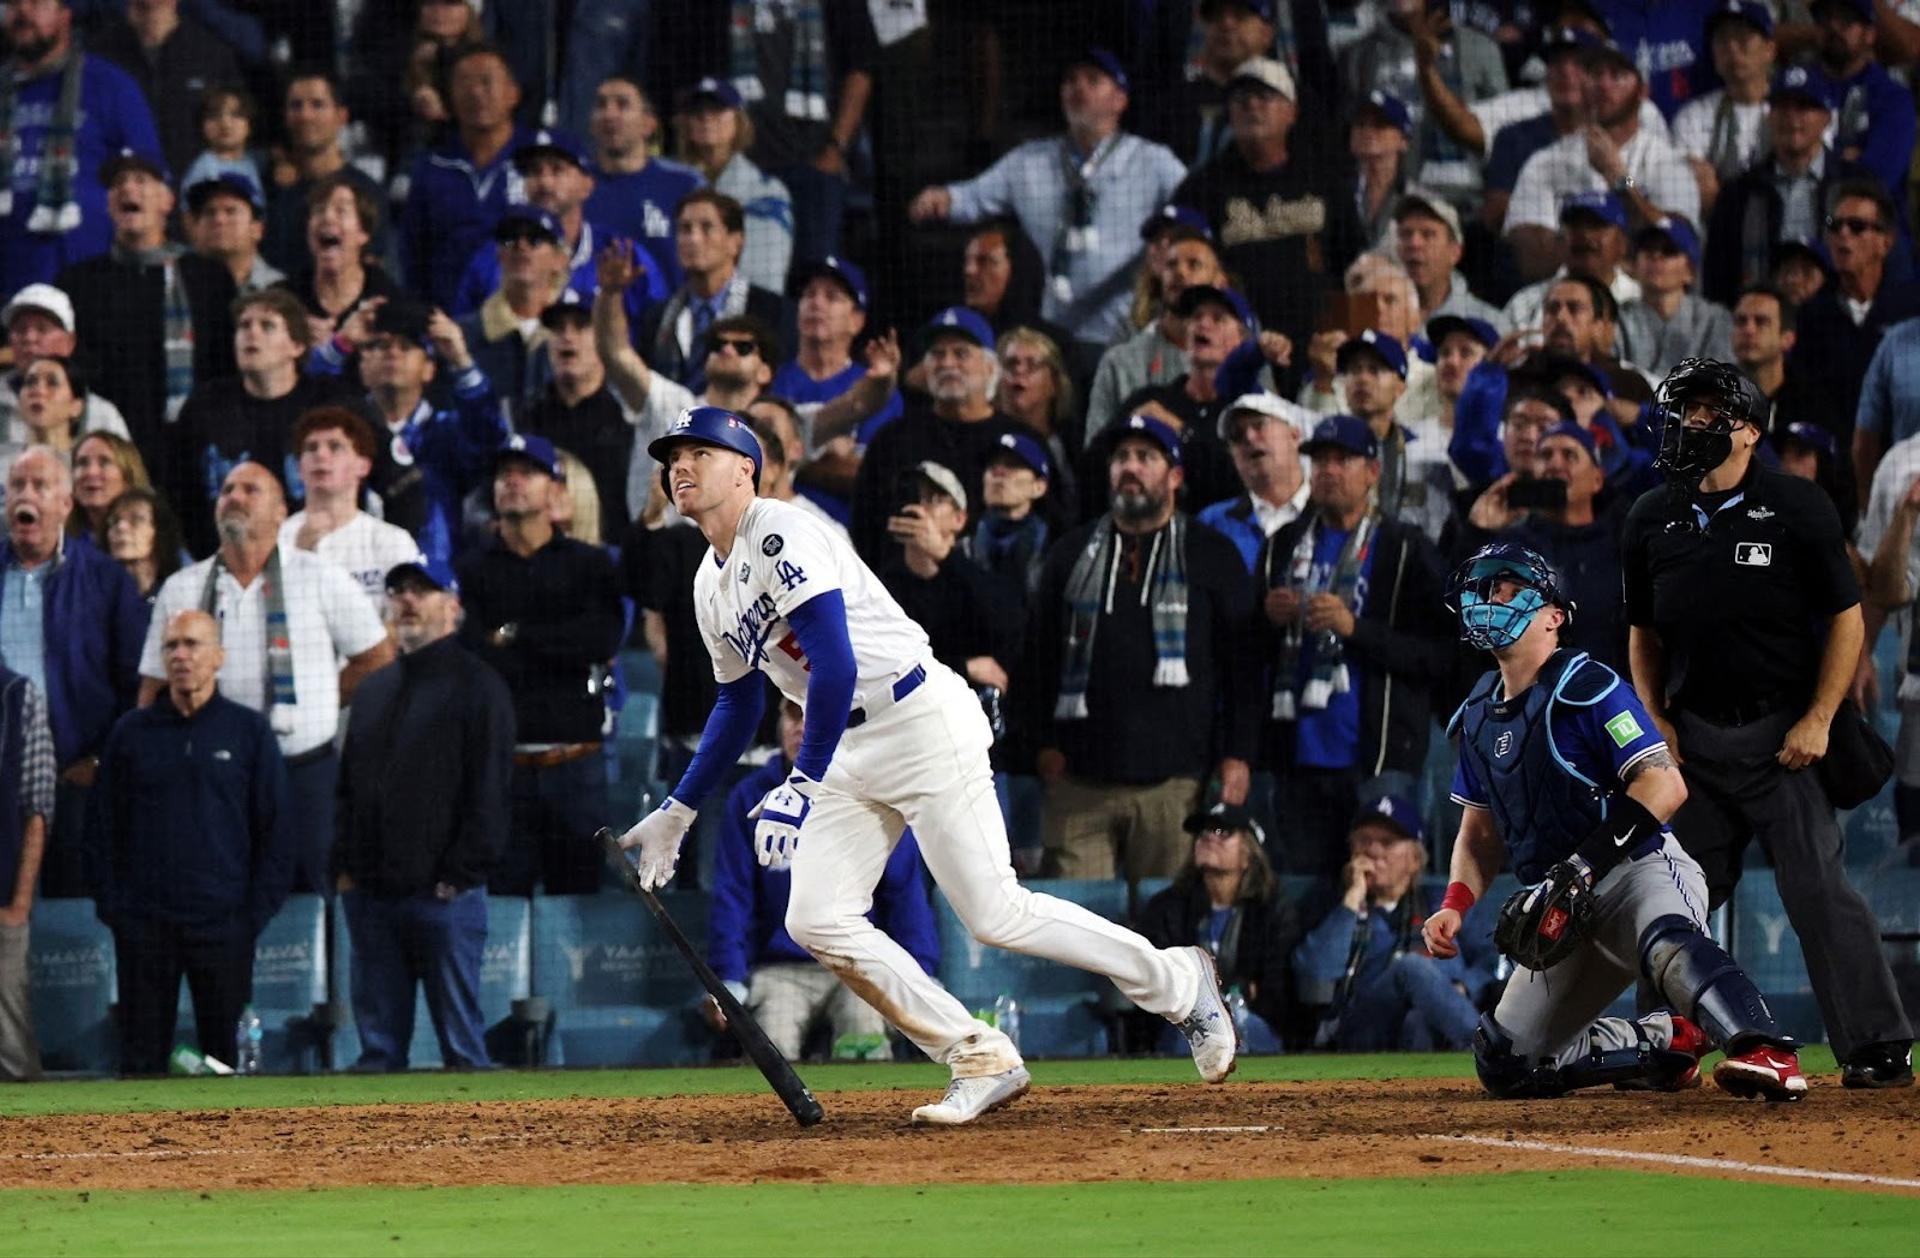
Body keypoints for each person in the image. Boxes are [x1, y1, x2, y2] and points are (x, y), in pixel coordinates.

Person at [617, 405, 1240, 1124]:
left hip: (916, 717)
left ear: (745, 468)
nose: (680, 467)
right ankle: (978, 1055)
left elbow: (836, 663)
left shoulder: (782, 529)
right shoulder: (709, 583)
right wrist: (679, 809)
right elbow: (737, 702)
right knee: (816, 918)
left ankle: (1176, 979)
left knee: (994, 911)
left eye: (699, 452)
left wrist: (801, 782)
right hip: (844, 742)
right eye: (673, 457)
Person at [1622, 358, 1914, 1088]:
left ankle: (1878, 1045)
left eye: (1707, 411)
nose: (1690, 422)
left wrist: (1819, 718)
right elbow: (1643, 634)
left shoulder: (1797, 505)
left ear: (1750, 430)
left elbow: (1848, 620)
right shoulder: (1650, 515)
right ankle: (1668, 1040)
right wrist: (1654, 718)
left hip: (1781, 736)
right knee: (1674, 892)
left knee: (1816, 886)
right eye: (1684, 410)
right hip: (1693, 737)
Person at [1427, 542, 1808, 1100]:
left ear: (1554, 616)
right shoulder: (1479, 715)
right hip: (1562, 906)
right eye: (1486, 591)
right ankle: (1667, 1043)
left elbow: (1665, 785)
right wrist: (1454, 904)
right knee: (1506, 1062)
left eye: (1509, 590)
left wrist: (1584, 865)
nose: (1492, 601)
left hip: (1635, 869)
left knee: (1667, 941)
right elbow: (1479, 835)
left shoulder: (1587, 685)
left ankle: (1767, 1049)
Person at [138, 461, 393, 895]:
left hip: (302, 773)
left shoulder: (321, 577)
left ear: (281, 512)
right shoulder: (182, 587)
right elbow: (153, 688)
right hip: (210, 777)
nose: (234, 497)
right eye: (226, 490)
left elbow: (378, 657)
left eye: (250, 490)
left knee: (309, 896)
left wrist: (319, 701)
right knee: (215, 895)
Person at [1028, 415, 1254, 880]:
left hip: (1174, 785)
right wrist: (1041, 746)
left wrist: (1238, 754)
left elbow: (1242, 667)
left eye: (1146, 457)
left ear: (1175, 476)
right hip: (1079, 784)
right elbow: (1037, 656)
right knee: (1076, 920)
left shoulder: (1212, 554)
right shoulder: (1070, 554)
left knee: (1164, 916)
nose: (1130, 467)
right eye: (1121, 457)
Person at [91, 608, 293, 1076]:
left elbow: (277, 831)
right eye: (171, 646)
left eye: (192, 644)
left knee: (225, 1064)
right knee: (141, 1065)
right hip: (145, 929)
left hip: (224, 927)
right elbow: (101, 829)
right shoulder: (130, 733)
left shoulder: (249, 731)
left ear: (219, 656)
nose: (180, 655)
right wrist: (117, 912)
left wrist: (251, 917)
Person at [334, 557, 514, 1072]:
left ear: (452, 606)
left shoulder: (480, 685)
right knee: (378, 1056)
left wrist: (459, 874)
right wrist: (346, 870)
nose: (407, 600)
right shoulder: (374, 689)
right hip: (373, 897)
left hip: (444, 897)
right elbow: (348, 787)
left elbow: (490, 791)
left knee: (463, 1051)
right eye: (398, 591)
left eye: (421, 590)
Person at [1254, 416, 1454, 875]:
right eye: (1320, 460)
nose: (1328, 470)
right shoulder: (1283, 545)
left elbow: (1440, 654)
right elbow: (1248, 652)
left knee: (1383, 888)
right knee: (1302, 891)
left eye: (1342, 460)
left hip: (1379, 758)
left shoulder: (1404, 548)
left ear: (1373, 472)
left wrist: (1355, 629)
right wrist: (1268, 620)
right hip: (1295, 756)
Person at [708, 700, 939, 1062]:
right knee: (771, 1047)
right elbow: (733, 896)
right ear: (779, 721)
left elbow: (904, 894)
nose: (801, 726)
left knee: (865, 1035)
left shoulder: (872, 794)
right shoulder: (749, 798)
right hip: (780, 969)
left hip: (856, 962)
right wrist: (729, 979)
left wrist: (921, 974)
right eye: (792, 713)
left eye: (813, 714)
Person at [910, 50, 1185, 349]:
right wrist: (944, 198)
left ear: (1120, 100)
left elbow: (1194, 208)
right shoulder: (1030, 161)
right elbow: (973, 196)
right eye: (1070, 80)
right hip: (1049, 331)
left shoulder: (1153, 162)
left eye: (1093, 80)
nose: (1078, 88)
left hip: (1122, 328)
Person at [457, 435, 625, 896]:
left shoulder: (590, 565)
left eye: (527, 472)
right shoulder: (470, 570)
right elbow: (473, 657)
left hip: (574, 766)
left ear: (555, 489)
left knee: (578, 906)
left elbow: (600, 640)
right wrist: (556, 641)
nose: (512, 481)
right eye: (503, 474)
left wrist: (515, 634)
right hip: (501, 769)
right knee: (501, 906)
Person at [0, 446, 148, 897]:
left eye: (40, 486)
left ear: (65, 504)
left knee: (74, 908)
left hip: (76, 778)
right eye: (16, 486)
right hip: (2, 775)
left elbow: (137, 683)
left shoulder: (107, 579)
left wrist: (102, 759)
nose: (26, 495)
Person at [1172, 56, 1361, 359]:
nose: (1252, 105)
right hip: (1236, 348)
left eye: (1265, 96)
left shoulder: (1325, 180)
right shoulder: (1201, 190)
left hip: (1318, 347)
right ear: (1229, 112)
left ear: (1291, 111)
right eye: (1241, 99)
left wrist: (1349, 340)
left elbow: (1354, 266)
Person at [663, 0, 877, 264]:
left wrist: (836, 148)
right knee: (728, 270)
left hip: (813, 165)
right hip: (735, 167)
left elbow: (860, 69)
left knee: (813, 274)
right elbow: (685, 64)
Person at [54, 150, 237, 451]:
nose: (128, 188)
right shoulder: (78, 282)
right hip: (109, 445)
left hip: (192, 443)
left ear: (167, 200)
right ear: (109, 204)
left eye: (141, 180)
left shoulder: (207, 278)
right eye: (118, 183)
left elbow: (225, 367)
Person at [309, 296, 508, 568]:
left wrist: (461, 361)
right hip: (347, 572)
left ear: (429, 369)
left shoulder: (447, 433)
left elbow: (492, 439)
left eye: (406, 346)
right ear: (362, 367)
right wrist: (340, 344)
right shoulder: (339, 435)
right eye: (379, 346)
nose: (393, 353)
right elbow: (299, 400)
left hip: (431, 575)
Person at [168, 287, 361, 553]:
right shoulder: (205, 406)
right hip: (228, 557)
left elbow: (393, 480)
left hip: (322, 556)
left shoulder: (332, 403)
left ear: (297, 346)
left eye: (267, 326)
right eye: (244, 325)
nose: (251, 333)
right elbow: (178, 492)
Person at [1294, 795, 1492, 1051]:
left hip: (1433, 1026)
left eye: (1387, 842)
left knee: (1417, 1021)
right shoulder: (1332, 903)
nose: (1373, 851)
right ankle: (1487, 1051)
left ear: (1415, 858)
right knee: (1410, 967)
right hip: (1365, 1026)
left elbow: (1493, 961)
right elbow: (1314, 974)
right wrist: (1352, 900)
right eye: (1364, 840)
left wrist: (1466, 986)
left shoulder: (1444, 904)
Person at [849, 308, 1040, 564]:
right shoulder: (893, 439)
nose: (947, 364)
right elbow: (864, 529)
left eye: (961, 354)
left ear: (990, 367)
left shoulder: (1023, 443)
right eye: (937, 354)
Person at [1504, 39, 1699, 285]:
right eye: (1596, 74)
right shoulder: (1545, 161)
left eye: (1617, 75)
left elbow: (1678, 246)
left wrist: (1622, 181)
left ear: (1643, 90)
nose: (1604, 85)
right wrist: (1611, 260)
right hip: (1562, 293)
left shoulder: (1667, 161)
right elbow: (1530, 259)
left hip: (1643, 297)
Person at [0, 0, 163, 295]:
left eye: (36, 2)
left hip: (90, 277)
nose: (22, 11)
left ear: (65, 14)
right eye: (11, 3)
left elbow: (150, 181)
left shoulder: (111, 86)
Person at [1138, 801, 1303, 1053]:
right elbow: (1159, 976)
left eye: (1223, 832)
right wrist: (1242, 986)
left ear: (1248, 854)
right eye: (1203, 833)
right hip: (1183, 1025)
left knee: (1244, 1030)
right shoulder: (1168, 907)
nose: (1209, 838)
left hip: (1254, 1022)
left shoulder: (1271, 909)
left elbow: (1278, 986)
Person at [1700, 66, 1874, 305]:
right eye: (1782, 107)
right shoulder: (1738, 193)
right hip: (1762, 318)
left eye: (1804, 107)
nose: (1792, 118)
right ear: (1769, 116)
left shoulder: (1858, 185)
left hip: (1840, 315)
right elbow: (1717, 281)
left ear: (1826, 118)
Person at [876, 462, 1024, 726]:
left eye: (935, 499)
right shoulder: (882, 586)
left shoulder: (979, 571)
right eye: (914, 497)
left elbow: (1011, 625)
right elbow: (883, 665)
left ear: (959, 519)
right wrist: (963, 667)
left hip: (971, 721)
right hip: (905, 721)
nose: (921, 507)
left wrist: (943, 555)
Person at [1797, 182, 1920, 491]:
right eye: (1835, 226)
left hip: (1902, 469)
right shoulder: (1811, 315)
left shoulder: (1911, 310)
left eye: (1857, 227)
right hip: (1829, 472)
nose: (1843, 235)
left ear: (1885, 242)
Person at [400, 45, 536, 310]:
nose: (475, 92)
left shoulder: (543, 159)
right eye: (464, 83)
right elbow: (414, 259)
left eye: (486, 82)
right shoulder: (432, 167)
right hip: (449, 320)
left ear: (513, 93)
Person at [634, 189, 796, 393]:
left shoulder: (774, 313)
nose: (693, 239)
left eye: (706, 228)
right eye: (685, 229)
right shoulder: (656, 318)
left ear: (735, 242)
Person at [453, 129, 617, 317]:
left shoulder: (616, 252)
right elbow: (463, 327)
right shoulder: (495, 255)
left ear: (587, 185)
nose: (544, 183)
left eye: (557, 170)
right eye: (534, 171)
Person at [1087, 221, 1228, 438]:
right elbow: (1095, 450)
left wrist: (1182, 432)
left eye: (1194, 264)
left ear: (1220, 281)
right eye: (1171, 265)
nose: (1180, 272)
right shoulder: (1119, 363)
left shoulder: (1247, 358)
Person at [279, 407, 424, 611]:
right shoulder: (278, 538)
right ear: (299, 468)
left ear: (363, 466)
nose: (320, 454)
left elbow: (408, 613)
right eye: (311, 448)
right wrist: (298, 555)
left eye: (335, 447)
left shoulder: (391, 541)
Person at [90, 0, 241, 183]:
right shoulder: (99, 56)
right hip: (121, 188)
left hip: (196, 187)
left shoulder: (211, 55)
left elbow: (237, 128)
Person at [260, 70, 390, 276]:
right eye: (296, 106)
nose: (305, 115)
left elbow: (372, 272)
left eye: (317, 105)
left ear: (341, 116)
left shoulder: (366, 192)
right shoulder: (269, 191)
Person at [671, 77, 793, 295]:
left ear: (739, 121)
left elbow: (764, 276)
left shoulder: (765, 191)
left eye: (717, 109)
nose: (706, 117)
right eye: (696, 111)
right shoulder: (667, 183)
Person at [584, 75, 704, 294]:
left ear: (648, 124)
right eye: (601, 105)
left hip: (667, 313)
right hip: (589, 312)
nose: (609, 114)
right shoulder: (574, 185)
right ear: (591, 124)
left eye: (622, 105)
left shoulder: (684, 184)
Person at [454, 206, 577, 418]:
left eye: (535, 240)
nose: (521, 246)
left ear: (560, 259)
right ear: (499, 255)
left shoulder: (582, 333)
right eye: (510, 240)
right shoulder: (464, 336)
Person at [1810, 0, 1916, 218]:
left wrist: (1813, 159)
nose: (1834, 27)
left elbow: (1876, 181)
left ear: (1870, 34)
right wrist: (1846, 158)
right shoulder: (1797, 89)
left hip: (1872, 226)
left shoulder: (1892, 98)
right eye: (1825, 19)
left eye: (1846, 21)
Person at [0, 660, 53, 1080]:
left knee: (12, 1052)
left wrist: (19, 905)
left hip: (2, 899)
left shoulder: (16, 695)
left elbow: (38, 807)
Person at [1669, 0, 1776, 206]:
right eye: (1722, 39)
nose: (1732, 48)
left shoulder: (1795, 108)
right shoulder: (1693, 116)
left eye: (1743, 38)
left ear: (1769, 50)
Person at [1, 284, 131, 451]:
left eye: (42, 329)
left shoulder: (100, 416)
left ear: (69, 342)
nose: (29, 338)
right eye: (20, 329)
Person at [1197, 392, 1311, 572]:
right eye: (1236, 434)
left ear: (1295, 435)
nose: (1249, 437)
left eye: (1259, 425)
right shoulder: (1212, 523)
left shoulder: (1328, 513)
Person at [285, 173, 401, 348]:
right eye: (319, 210)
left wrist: (337, 345)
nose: (327, 217)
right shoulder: (285, 300)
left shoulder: (388, 302)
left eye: (341, 211)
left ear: (363, 233)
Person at [1617, 216, 1731, 378]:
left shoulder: (1714, 319)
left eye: (1669, 251)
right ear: (1635, 265)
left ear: (1690, 272)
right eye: (1648, 249)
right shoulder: (1618, 318)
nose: (1656, 256)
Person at [1392, 192, 1505, 331]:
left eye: (1428, 234)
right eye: (1406, 234)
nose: (1414, 243)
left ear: (1454, 252)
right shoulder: (1375, 316)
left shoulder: (1490, 323)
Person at [185, 173, 282, 295]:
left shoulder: (281, 291)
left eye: (231, 211)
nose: (219, 220)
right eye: (209, 212)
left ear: (257, 229)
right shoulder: (177, 287)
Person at [103, 486, 183, 599]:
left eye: (136, 519)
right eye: (115, 521)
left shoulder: (179, 594)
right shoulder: (94, 594)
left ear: (159, 531)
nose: (121, 527)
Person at [180, 85, 261, 196]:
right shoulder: (204, 169)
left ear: (250, 123)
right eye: (214, 116)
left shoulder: (256, 161)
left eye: (236, 115)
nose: (225, 124)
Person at [69, 431, 150, 542]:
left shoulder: (152, 541)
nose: (91, 472)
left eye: (104, 462)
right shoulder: (58, 541)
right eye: (82, 463)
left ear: (128, 477)